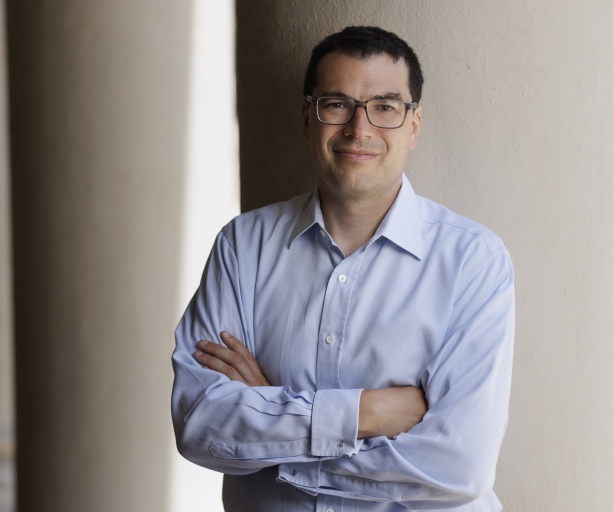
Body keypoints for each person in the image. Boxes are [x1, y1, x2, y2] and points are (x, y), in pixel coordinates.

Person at [171, 26, 514, 512]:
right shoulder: (242, 246)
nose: (359, 128)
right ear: (308, 121)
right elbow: (199, 424)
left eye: (386, 107)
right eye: (336, 104)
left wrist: (272, 415)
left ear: (414, 126)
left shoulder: (473, 261)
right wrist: (368, 413)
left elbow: (458, 469)